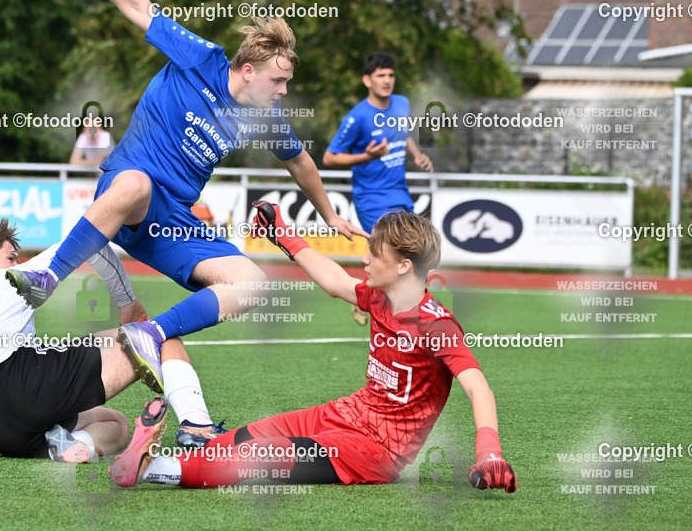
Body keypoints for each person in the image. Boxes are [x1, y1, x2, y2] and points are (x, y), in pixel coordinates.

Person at [10, 0, 367, 413]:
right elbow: (134, 2)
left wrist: (328, 215)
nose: (283, 91)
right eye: (278, 81)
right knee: (135, 184)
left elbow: (301, 161)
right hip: (127, 191)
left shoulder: (265, 117)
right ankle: (46, 279)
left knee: (254, 284)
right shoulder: (201, 58)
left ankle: (149, 334)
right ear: (247, 70)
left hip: (171, 218)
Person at [108, 203, 517, 496]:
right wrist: (283, 233)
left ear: (405, 266)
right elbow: (334, 280)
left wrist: (489, 453)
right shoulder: (381, 297)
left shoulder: (436, 324)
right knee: (247, 436)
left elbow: (478, 387)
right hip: (345, 414)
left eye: (375, 252)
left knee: (266, 456)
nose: (366, 257)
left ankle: (151, 469)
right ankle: (178, 455)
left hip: (374, 452)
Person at [0, 219, 211, 461]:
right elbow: (91, 239)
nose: (16, 264)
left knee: (116, 427)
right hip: (25, 381)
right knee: (158, 335)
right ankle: (198, 428)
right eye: (10, 257)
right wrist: (127, 302)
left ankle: (77, 448)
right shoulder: (2, 280)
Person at [323, 51, 433, 235]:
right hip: (372, 200)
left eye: (391, 75)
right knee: (392, 253)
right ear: (367, 80)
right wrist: (368, 156)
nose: (387, 80)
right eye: (380, 75)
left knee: (412, 255)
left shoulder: (402, 103)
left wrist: (417, 155)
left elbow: (404, 133)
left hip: (401, 196)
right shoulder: (357, 117)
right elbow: (329, 158)